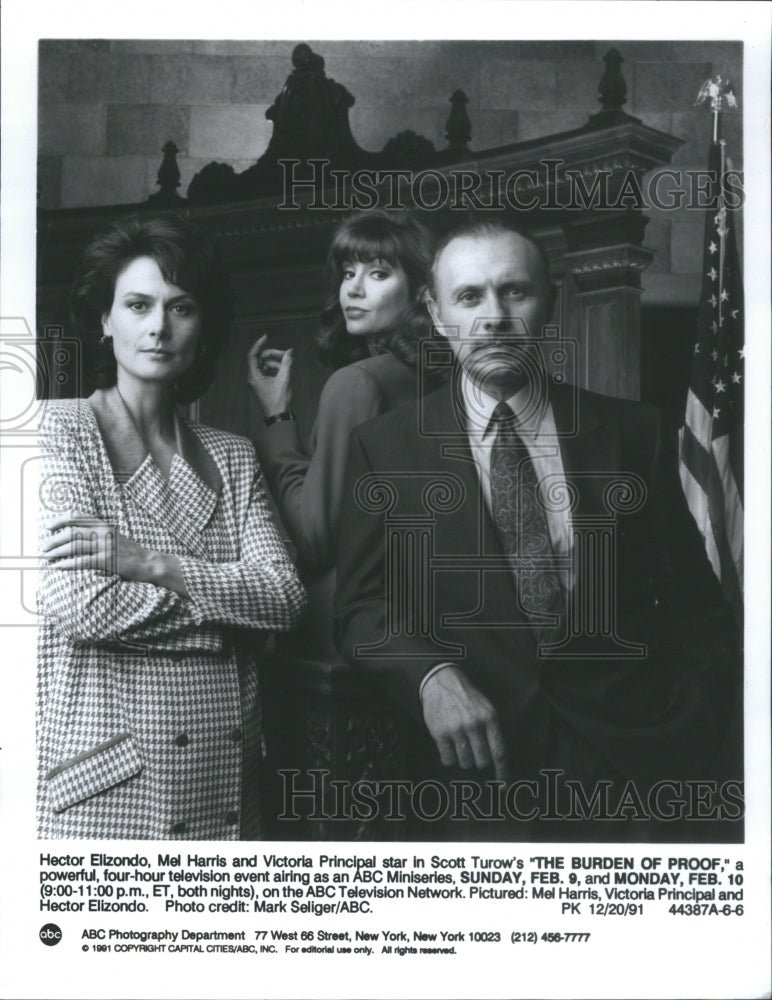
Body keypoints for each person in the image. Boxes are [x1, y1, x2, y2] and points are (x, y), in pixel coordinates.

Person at [334, 216, 740, 841]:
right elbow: (361, 606)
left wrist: (696, 720)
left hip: (636, 771)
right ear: (437, 314)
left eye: (514, 292)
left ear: (549, 302)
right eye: (469, 296)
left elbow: (695, 606)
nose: (494, 316)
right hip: (473, 779)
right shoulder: (384, 447)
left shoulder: (635, 433)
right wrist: (429, 676)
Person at [37, 215, 306, 840]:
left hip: (225, 779)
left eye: (180, 307)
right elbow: (83, 606)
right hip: (108, 784)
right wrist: (229, 623)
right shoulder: (56, 431)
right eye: (138, 305)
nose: (158, 327)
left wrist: (151, 564)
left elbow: (285, 597)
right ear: (105, 321)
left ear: (201, 325)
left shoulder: (233, 453)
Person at [246, 210, 439, 651]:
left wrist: (278, 420)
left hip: (345, 625)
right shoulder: (444, 379)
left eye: (377, 273)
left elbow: (316, 539)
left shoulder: (358, 382)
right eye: (348, 272)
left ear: (420, 289)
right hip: (425, 624)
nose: (353, 288)